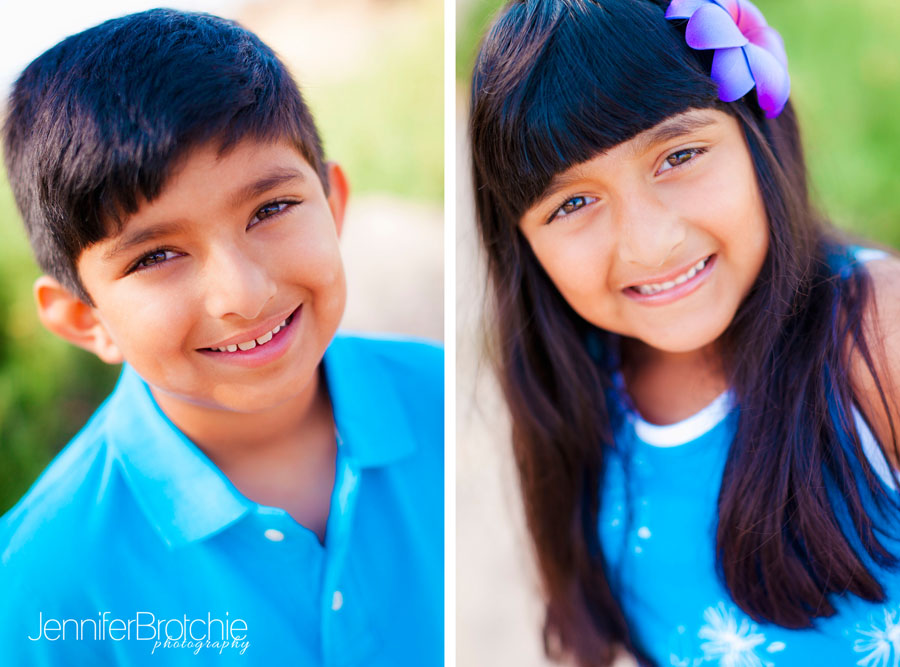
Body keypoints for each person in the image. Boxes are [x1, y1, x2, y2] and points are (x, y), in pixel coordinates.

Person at [0, 9, 442, 666]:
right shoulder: (42, 583)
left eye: (270, 210)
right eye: (154, 257)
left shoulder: (446, 405)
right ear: (85, 317)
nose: (244, 294)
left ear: (335, 203)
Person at [469, 0, 900, 664]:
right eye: (574, 202)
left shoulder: (874, 338)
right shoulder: (582, 389)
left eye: (679, 155)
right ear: (521, 246)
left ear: (758, 132)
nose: (649, 244)